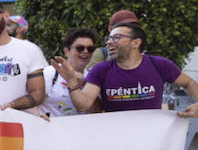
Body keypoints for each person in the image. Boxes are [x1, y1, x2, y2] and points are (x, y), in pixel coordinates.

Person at [56, 21, 198, 116]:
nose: (110, 42)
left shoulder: (159, 64)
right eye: (108, 39)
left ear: (136, 42)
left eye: (117, 37)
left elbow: (189, 83)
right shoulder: (101, 69)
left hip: (152, 139)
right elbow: (84, 104)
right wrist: (72, 81)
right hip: (117, 140)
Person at [37, 28, 98, 118]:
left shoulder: (92, 76)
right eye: (79, 48)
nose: (85, 51)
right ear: (67, 51)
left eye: (90, 49)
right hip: (51, 129)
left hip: (81, 130)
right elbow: (34, 100)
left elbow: (96, 111)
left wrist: (84, 84)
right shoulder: (51, 72)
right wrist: (38, 116)